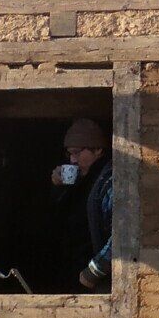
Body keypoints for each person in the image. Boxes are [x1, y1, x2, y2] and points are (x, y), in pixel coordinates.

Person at [50, 118, 114, 290]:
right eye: (69, 154)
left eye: (77, 153)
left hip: (97, 282)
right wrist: (59, 187)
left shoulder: (108, 182)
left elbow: (121, 234)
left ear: (98, 150)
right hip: (75, 276)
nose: (73, 160)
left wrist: (94, 271)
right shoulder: (82, 180)